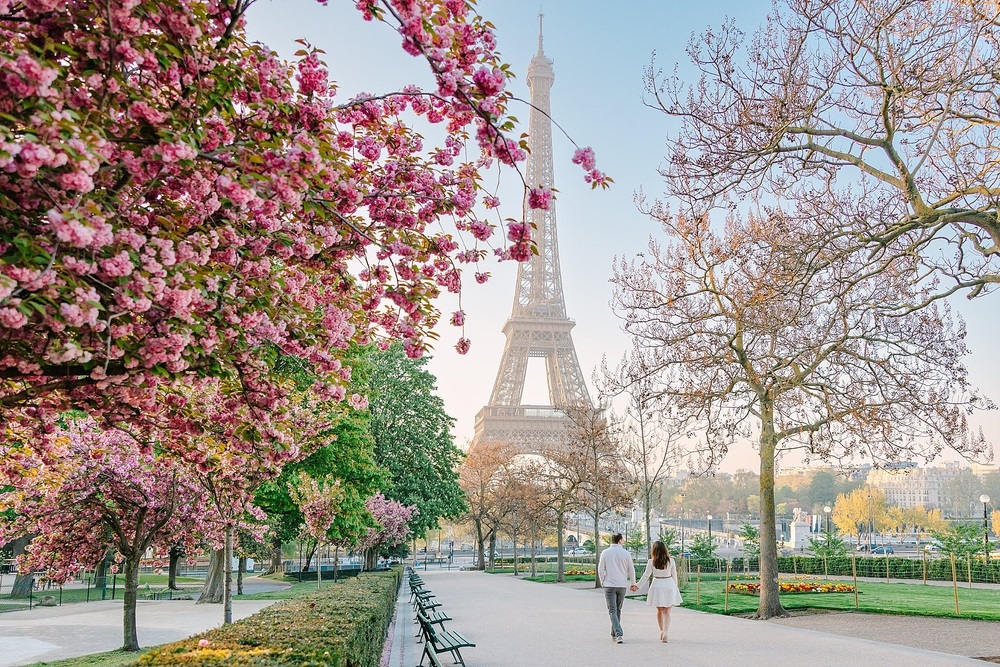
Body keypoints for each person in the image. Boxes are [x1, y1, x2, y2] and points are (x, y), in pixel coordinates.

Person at [631, 540, 683, 643]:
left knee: (659, 611)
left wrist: (637, 586)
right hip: (669, 584)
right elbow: (675, 576)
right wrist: (675, 588)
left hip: (657, 584)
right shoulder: (671, 561)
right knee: (667, 612)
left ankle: (661, 630)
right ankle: (666, 632)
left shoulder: (651, 561)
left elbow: (646, 575)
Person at [597, 532, 636, 644]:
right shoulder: (626, 553)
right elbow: (631, 569)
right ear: (620, 540)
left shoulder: (605, 553)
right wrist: (632, 582)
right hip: (622, 585)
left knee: (612, 610)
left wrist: (602, 581)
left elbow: (600, 569)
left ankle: (617, 633)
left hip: (609, 584)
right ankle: (615, 633)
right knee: (618, 610)